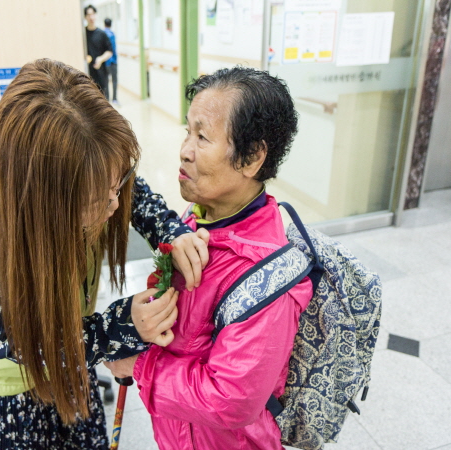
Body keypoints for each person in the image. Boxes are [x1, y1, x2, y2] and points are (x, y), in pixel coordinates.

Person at [0, 59, 209, 449]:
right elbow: (16, 342)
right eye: (96, 200)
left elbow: (129, 190)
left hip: (74, 355)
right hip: (6, 383)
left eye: (117, 186)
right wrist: (118, 327)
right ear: (43, 197)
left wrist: (172, 231)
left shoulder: (92, 171)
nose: (114, 205)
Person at [104, 66, 313, 449]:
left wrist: (138, 366)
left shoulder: (266, 278)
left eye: (203, 136)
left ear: (252, 158)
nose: (184, 150)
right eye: (188, 131)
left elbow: (230, 399)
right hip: (182, 433)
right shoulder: (200, 217)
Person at [84, 5, 112, 99]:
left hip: (101, 73)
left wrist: (100, 59)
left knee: (103, 99)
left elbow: (109, 51)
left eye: (93, 14)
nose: (91, 17)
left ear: (95, 15)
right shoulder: (83, 33)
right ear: (85, 17)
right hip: (86, 73)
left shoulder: (101, 34)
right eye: (88, 15)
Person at [104, 18, 119, 106]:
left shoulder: (102, 33)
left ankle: (107, 100)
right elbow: (113, 49)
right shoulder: (112, 34)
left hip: (105, 62)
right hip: (113, 61)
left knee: (106, 82)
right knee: (114, 81)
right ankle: (114, 99)